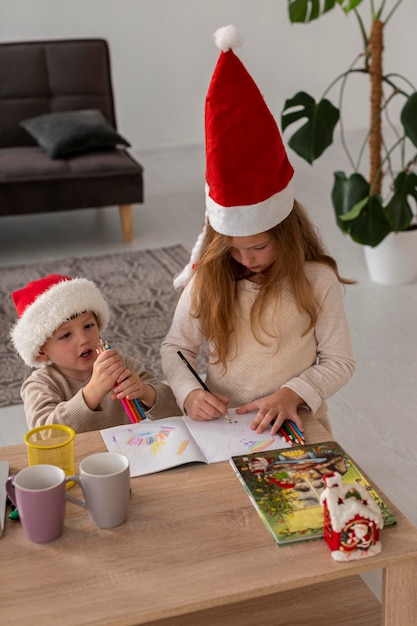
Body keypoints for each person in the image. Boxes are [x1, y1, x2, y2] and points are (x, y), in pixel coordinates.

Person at [160, 25, 355, 437]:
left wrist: (293, 393)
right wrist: (189, 393)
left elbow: (339, 362)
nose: (246, 259)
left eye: (259, 247)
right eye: (234, 250)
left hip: (297, 421)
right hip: (224, 428)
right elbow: (175, 348)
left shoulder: (316, 281)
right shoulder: (209, 279)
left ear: (285, 234)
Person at [10, 274, 181, 433]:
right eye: (66, 335)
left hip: (126, 455)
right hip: (75, 462)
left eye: (88, 326)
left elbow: (176, 411)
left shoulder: (122, 365)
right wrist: (93, 391)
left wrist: (145, 392)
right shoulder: (40, 385)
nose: (84, 339)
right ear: (41, 351)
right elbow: (45, 435)